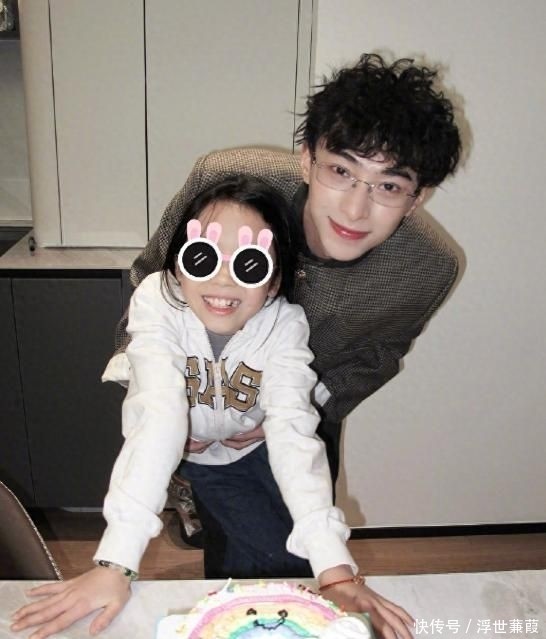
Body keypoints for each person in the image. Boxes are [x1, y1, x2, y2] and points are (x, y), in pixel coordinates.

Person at [11, 175, 414, 639]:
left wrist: (337, 572)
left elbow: (293, 433)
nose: (223, 280)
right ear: (178, 265)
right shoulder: (157, 302)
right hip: (195, 455)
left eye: (248, 264)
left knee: (276, 555)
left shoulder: (285, 326)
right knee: (256, 555)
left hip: (256, 451)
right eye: (203, 258)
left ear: (274, 281)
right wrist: (116, 562)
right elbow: (159, 417)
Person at [110, 52, 462, 485]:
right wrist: (155, 395)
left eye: (389, 186)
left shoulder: (428, 268)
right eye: (340, 170)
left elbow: (379, 353)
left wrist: (305, 406)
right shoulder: (223, 184)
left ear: (417, 198)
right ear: (307, 159)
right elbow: (151, 280)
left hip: (299, 412)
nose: (355, 210)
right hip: (183, 391)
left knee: (303, 521)